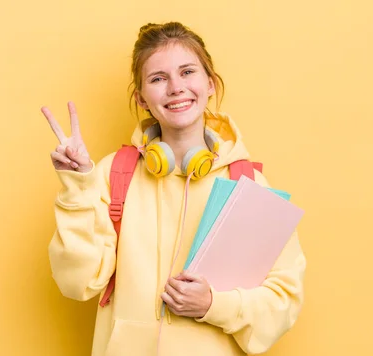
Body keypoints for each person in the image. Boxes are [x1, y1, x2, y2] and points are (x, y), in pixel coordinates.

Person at [42, 21, 306, 356]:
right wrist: (78, 186)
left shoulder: (249, 185)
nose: (175, 87)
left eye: (187, 72)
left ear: (210, 84)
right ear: (141, 98)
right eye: (158, 78)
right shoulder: (112, 174)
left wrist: (213, 304)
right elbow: (77, 282)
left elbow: (284, 299)